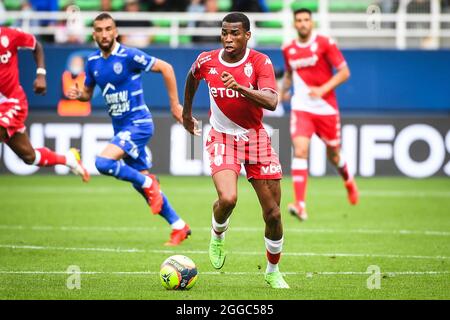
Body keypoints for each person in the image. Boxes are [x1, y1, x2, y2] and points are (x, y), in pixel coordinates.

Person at [182, 12, 289, 289]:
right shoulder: (207, 60)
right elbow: (192, 78)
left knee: (274, 214)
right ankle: (218, 234)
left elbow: (272, 101)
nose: (228, 39)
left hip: (256, 139)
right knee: (228, 199)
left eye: (235, 34)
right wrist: (186, 114)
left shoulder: (260, 62)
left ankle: (272, 271)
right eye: (225, 33)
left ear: (247, 36)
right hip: (222, 137)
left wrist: (240, 88)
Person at [67, 13, 191, 246]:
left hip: (139, 124)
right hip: (121, 128)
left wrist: (175, 105)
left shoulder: (128, 55)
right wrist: (79, 95)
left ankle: (150, 183)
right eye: (99, 30)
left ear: (115, 32)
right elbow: (87, 92)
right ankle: (179, 226)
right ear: (93, 34)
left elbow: (166, 68)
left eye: (108, 29)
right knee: (140, 182)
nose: (104, 34)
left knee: (103, 163)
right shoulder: (92, 62)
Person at [280, 8, 359, 221]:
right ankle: (300, 204)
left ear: (311, 23)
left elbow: (344, 72)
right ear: (295, 24)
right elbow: (289, 74)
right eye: (299, 20)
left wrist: (323, 89)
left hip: (326, 108)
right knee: (300, 150)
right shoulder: (288, 49)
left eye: (306, 19)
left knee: (333, 154)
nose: (303, 23)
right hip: (302, 108)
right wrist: (281, 92)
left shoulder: (325, 43)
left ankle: (348, 180)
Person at [0, 26, 89, 182]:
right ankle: (68, 159)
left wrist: (41, 74)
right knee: (29, 156)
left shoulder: (9, 34)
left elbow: (36, 45)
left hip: (12, 102)